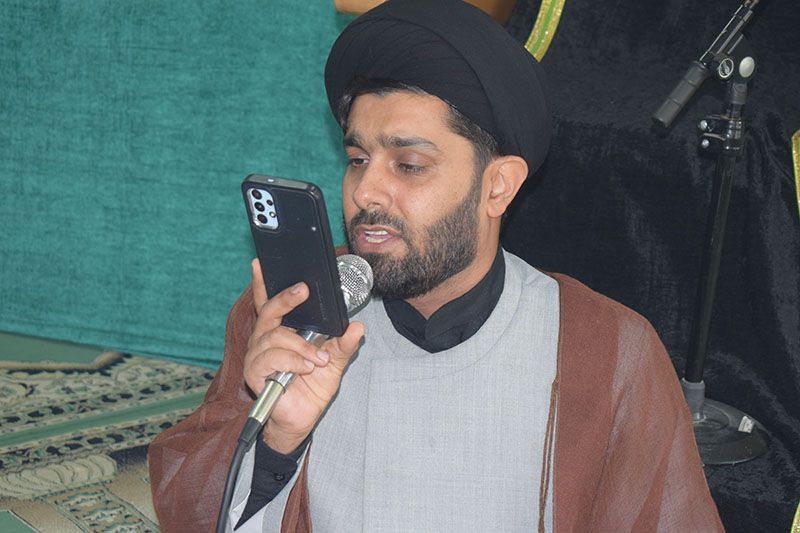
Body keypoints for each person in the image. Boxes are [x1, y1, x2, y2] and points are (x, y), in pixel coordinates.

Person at [148, 1, 724, 531]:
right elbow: (190, 508)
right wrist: (279, 442)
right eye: (357, 158)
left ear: (498, 186)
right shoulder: (294, 316)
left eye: (409, 165)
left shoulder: (605, 348)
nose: (365, 192)